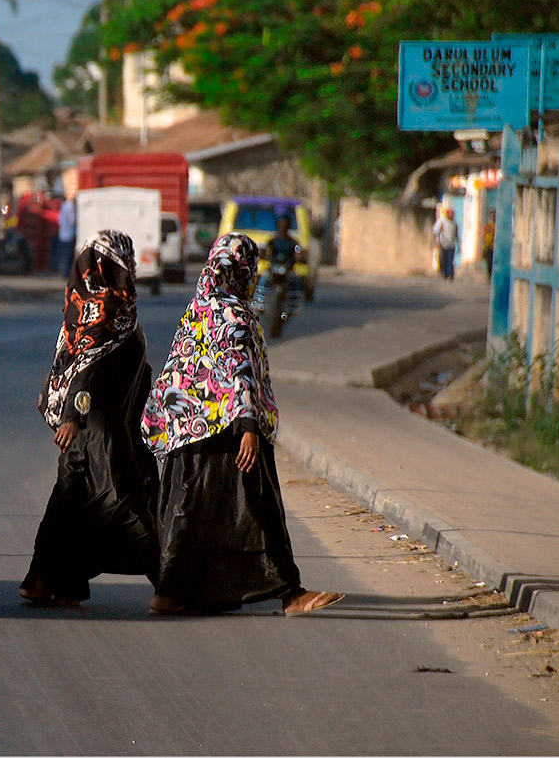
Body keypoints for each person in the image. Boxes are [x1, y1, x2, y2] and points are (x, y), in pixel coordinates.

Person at [141, 233, 345, 616]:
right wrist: (249, 426)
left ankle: (170, 592)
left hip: (187, 434)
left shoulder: (197, 310)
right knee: (259, 509)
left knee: (192, 514)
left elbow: (178, 374)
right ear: (245, 271)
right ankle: (290, 594)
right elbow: (240, 371)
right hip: (230, 432)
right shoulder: (234, 313)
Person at [19, 231, 160, 607]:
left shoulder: (79, 302)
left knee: (66, 501)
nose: (129, 270)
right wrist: (73, 416)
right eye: (123, 263)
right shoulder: (108, 306)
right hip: (96, 428)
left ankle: (49, 580)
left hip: (83, 428)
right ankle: (174, 582)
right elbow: (86, 366)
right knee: (124, 499)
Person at [432, 206, 458, 281]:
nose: (452, 216)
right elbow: (436, 231)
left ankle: (449, 275)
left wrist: (458, 244)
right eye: (450, 214)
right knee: (443, 259)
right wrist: (438, 241)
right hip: (443, 244)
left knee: (450, 260)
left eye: (452, 214)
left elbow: (456, 234)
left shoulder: (454, 223)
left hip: (451, 244)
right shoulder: (442, 221)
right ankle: (444, 273)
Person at [55, 196, 76, 276]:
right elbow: (72, 219)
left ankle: (63, 271)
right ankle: (66, 273)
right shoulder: (70, 206)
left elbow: (59, 220)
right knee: (68, 255)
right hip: (69, 234)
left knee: (63, 254)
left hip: (63, 234)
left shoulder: (64, 205)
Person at [482, 211, 496, 279]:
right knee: (489, 263)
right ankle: (489, 276)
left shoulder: (498, 227)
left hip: (495, 248)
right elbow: (486, 237)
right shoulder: (488, 227)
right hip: (489, 247)